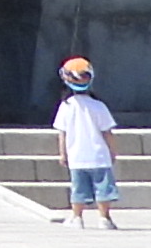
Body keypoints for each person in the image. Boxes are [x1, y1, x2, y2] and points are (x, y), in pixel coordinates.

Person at [52, 57, 123, 229]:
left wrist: (62, 154)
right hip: (99, 156)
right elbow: (107, 132)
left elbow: (62, 133)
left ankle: (77, 217)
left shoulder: (65, 106)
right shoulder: (99, 106)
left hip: (76, 157)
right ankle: (104, 219)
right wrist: (113, 151)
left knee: (78, 189)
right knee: (103, 190)